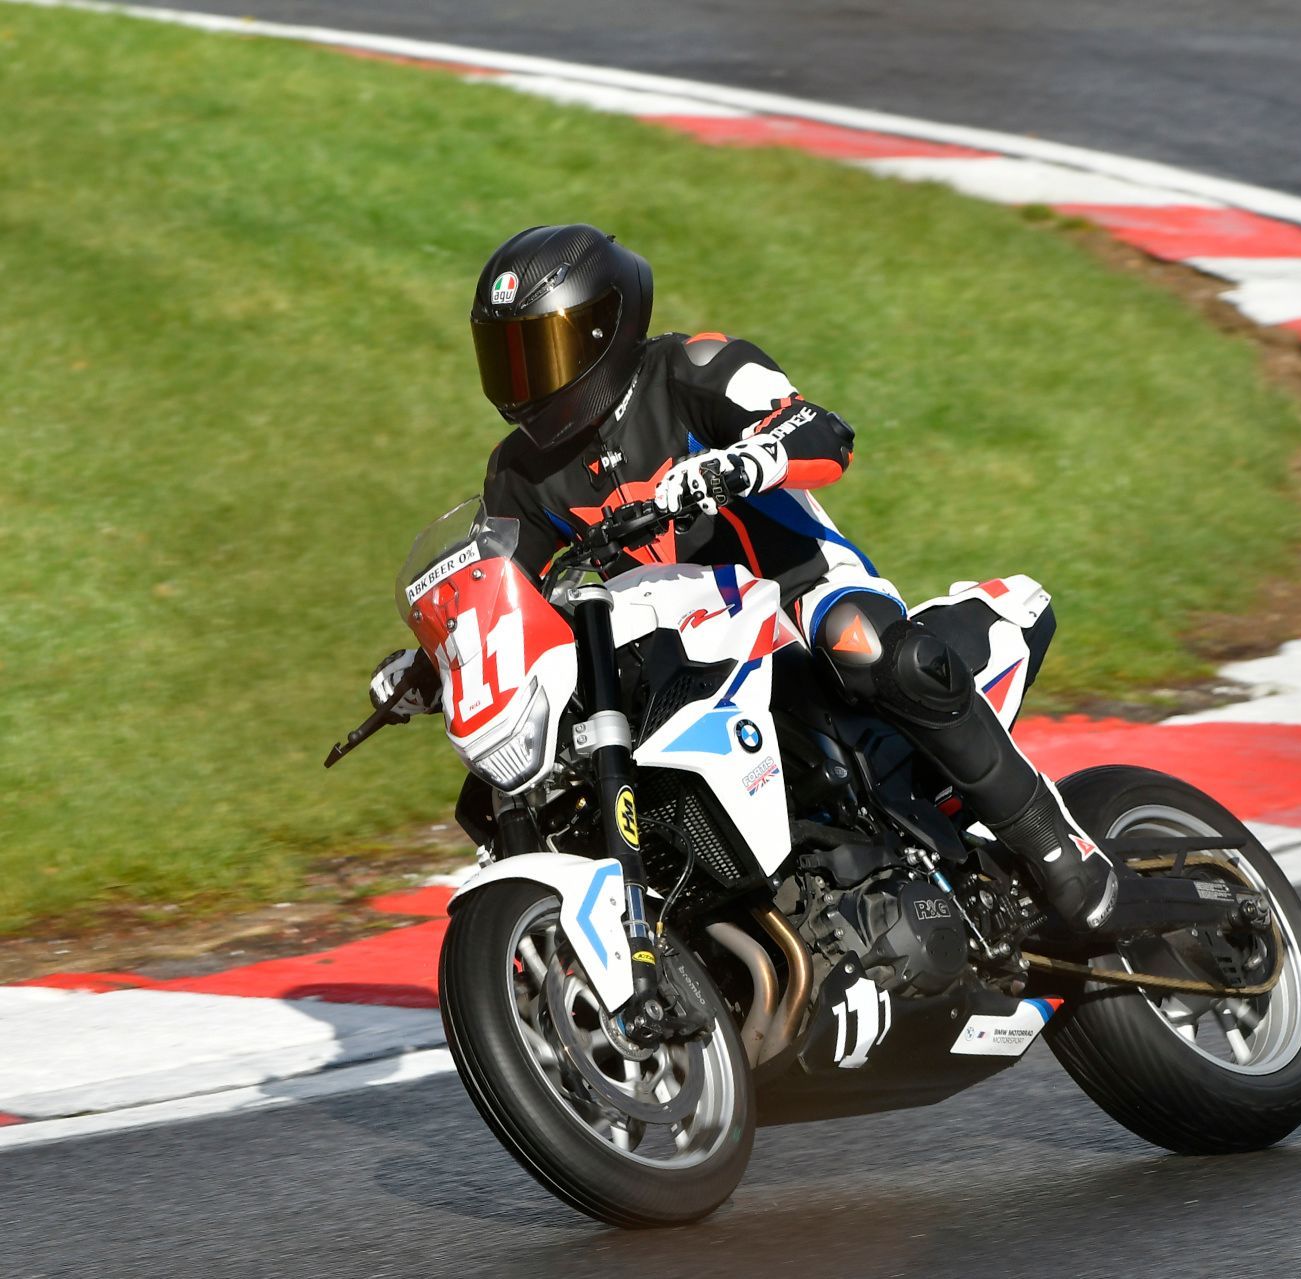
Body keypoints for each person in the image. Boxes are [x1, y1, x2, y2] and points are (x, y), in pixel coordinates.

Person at [372, 223, 1117, 931]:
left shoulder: (691, 367)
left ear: (604, 328)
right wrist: (438, 661)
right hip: (667, 647)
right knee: (533, 770)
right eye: (507, 356)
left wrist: (742, 462)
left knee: (867, 645)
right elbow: (508, 591)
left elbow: (818, 429)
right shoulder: (518, 473)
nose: (525, 378)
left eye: (542, 349)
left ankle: (1059, 849)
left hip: (792, 594)